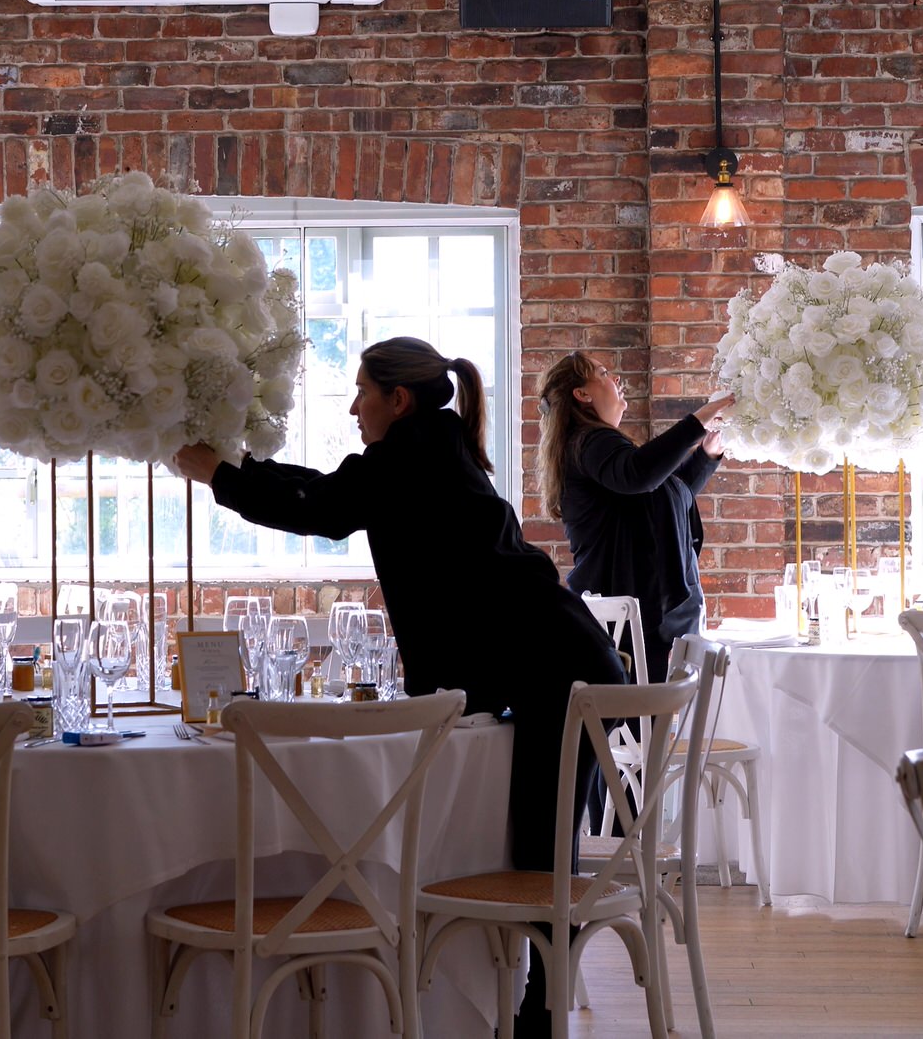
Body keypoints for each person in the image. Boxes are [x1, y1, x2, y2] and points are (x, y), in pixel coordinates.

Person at [173, 336, 622, 1036]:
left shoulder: (412, 455)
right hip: (561, 659)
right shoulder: (428, 448)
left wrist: (222, 476)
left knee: (542, 859)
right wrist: (235, 469)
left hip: (557, 672)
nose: (354, 408)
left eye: (362, 393)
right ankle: (527, 1011)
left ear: (399, 398)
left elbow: (320, 508)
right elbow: (331, 488)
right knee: (541, 853)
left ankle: (536, 1018)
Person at [538, 351, 734, 685]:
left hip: (627, 611)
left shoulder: (594, 445)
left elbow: (663, 492)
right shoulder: (590, 440)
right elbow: (640, 474)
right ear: (582, 394)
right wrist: (698, 419)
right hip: (626, 615)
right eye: (603, 373)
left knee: (640, 726)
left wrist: (706, 452)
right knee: (642, 722)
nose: (615, 380)